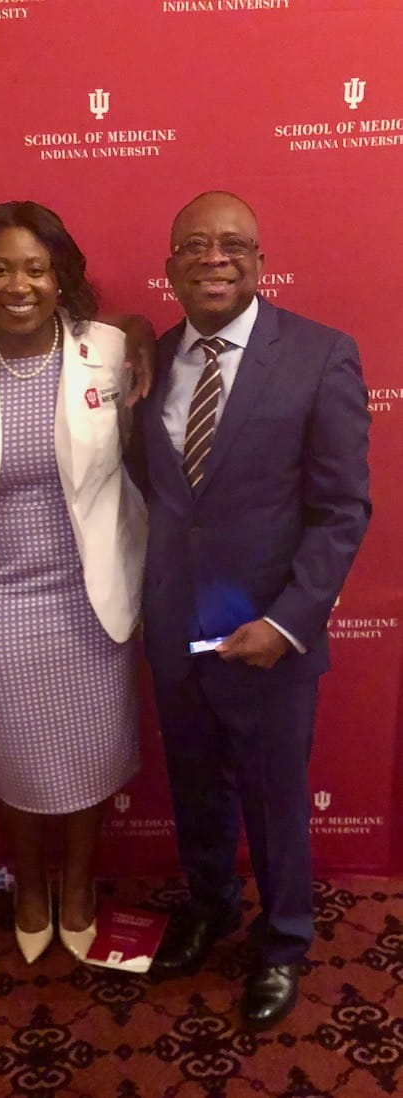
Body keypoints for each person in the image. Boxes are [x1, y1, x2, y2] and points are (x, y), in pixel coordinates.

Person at [133, 190, 371, 1027]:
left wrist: (286, 622)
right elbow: (153, 495)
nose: (214, 258)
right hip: (175, 630)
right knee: (195, 789)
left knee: (274, 799)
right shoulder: (149, 362)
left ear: (261, 261)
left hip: (272, 633)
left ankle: (281, 943)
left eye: (233, 244)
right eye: (194, 245)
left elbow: (343, 509)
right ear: (169, 267)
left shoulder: (319, 355)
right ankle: (208, 909)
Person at [0, 201, 149, 963]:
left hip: (90, 597)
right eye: (0, 268)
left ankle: (82, 883)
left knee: (93, 750)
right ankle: (31, 883)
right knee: (18, 757)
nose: (18, 283)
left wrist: (141, 331)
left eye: (35, 267)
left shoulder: (110, 348)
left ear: (61, 276)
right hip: (0, 602)